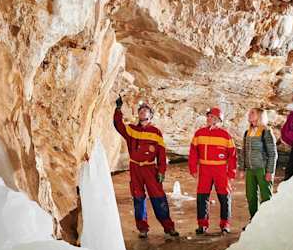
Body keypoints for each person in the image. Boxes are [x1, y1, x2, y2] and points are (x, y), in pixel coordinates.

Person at [113, 96, 178, 239]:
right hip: (135, 168)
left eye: (146, 110)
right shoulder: (131, 130)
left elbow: (161, 154)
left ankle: (168, 227)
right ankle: (143, 228)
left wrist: (161, 171)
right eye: (141, 110)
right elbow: (118, 125)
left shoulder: (156, 132)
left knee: (158, 198)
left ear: (150, 115)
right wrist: (118, 110)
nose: (143, 112)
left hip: (150, 169)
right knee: (138, 198)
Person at [189, 107, 236, 235]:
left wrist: (231, 173)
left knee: (224, 197)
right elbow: (193, 152)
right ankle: (202, 224)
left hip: (221, 170)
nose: (209, 119)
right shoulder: (199, 133)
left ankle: (225, 224)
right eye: (208, 116)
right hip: (204, 169)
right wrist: (193, 168)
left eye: (212, 117)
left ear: (218, 120)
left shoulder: (226, 135)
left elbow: (232, 156)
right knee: (202, 196)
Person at [240, 107, 277, 227]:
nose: (249, 114)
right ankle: (254, 222)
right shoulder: (247, 132)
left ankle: (267, 223)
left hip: (262, 169)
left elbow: (272, 153)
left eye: (252, 113)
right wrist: (241, 168)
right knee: (250, 196)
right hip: (250, 169)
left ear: (260, 116)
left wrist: (269, 171)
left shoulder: (266, 131)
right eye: (249, 112)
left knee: (266, 196)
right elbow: (243, 151)